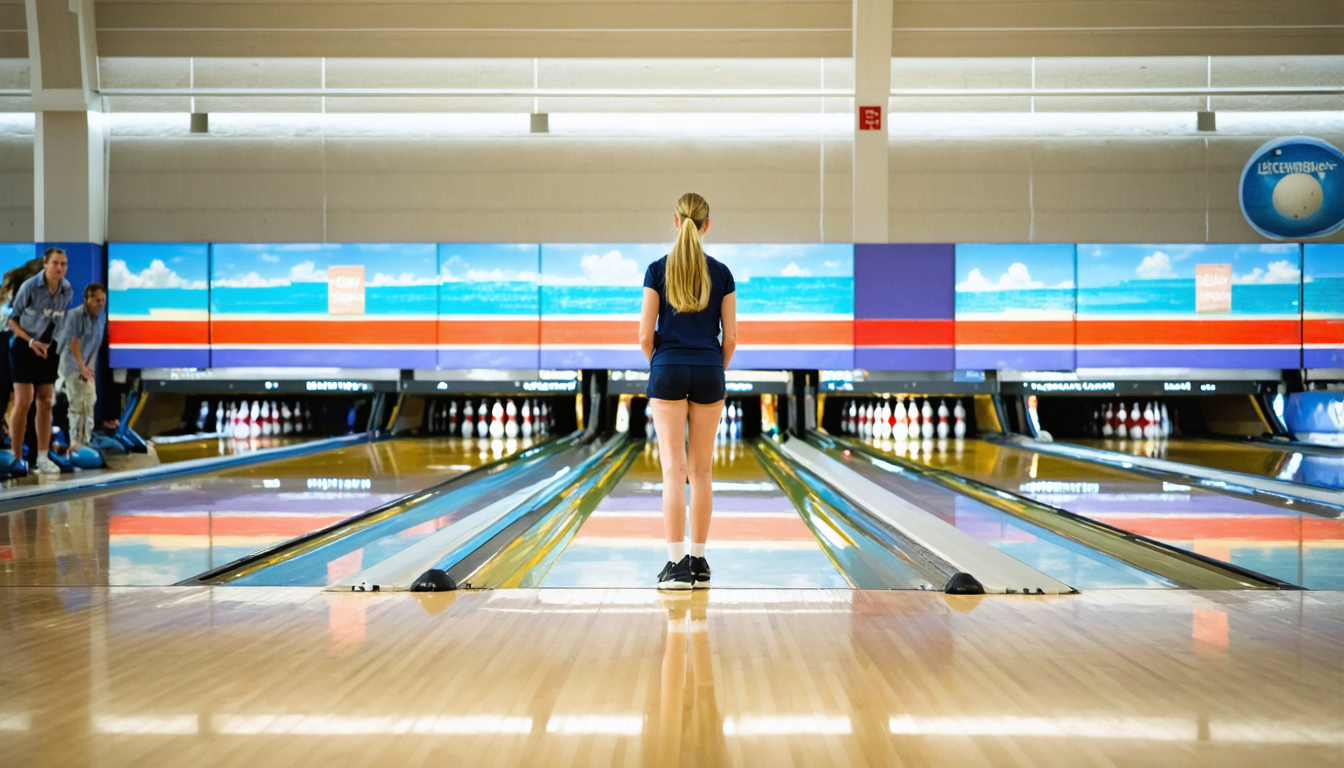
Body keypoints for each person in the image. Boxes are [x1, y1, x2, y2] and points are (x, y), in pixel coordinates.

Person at [639, 193, 737, 590]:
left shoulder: (656, 270)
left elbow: (645, 335)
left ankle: (675, 565)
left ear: (676, 223)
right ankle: (698, 561)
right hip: (710, 371)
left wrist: (660, 365)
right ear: (706, 225)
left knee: (673, 472)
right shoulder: (723, 273)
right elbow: (730, 339)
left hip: (667, 371)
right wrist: (714, 369)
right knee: (701, 471)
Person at [8, 248, 73, 475]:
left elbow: (56, 322)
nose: (59, 268)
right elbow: (12, 320)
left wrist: (49, 345)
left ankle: (43, 456)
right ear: (45, 264)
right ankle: (17, 459)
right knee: (24, 400)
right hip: (24, 345)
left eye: (63, 264)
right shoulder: (30, 287)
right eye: (55, 263)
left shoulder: (66, 290)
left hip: (47, 348)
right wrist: (32, 342)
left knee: (45, 401)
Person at [57, 283, 106, 455]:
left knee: (90, 400)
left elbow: (96, 344)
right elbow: (73, 343)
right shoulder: (75, 315)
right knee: (77, 402)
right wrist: (82, 366)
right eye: (97, 300)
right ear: (87, 299)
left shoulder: (101, 318)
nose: (100, 304)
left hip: (85, 365)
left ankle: (86, 440)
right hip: (71, 364)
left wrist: (90, 368)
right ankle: (75, 443)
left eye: (103, 300)